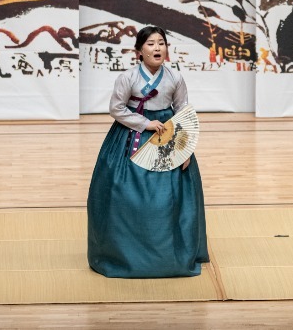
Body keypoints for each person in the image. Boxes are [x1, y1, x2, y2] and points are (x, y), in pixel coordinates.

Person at [87, 26, 209, 278]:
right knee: (123, 194)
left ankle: (171, 252)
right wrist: (145, 124)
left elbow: (183, 110)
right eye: (151, 44)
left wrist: (185, 149)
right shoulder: (128, 78)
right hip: (132, 135)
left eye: (161, 43)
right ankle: (122, 253)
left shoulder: (175, 77)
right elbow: (116, 108)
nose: (157, 48)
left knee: (171, 197)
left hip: (167, 134)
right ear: (139, 51)